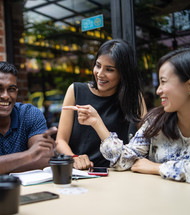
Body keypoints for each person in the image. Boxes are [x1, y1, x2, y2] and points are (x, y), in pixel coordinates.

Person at [76, 48, 190, 184]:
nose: (158, 91)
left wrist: (157, 168)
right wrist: (96, 123)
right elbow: (124, 160)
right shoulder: (156, 123)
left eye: (164, 82)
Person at [57, 39, 146, 170]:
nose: (100, 74)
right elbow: (60, 141)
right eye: (98, 66)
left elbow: (146, 140)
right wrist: (74, 158)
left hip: (119, 174)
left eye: (109, 69)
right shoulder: (76, 91)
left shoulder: (134, 98)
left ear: (123, 73)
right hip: (82, 174)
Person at [0, 61, 57, 181]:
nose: (5, 96)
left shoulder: (29, 114)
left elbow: (44, 158)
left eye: (11, 89)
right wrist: (29, 156)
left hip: (29, 191)